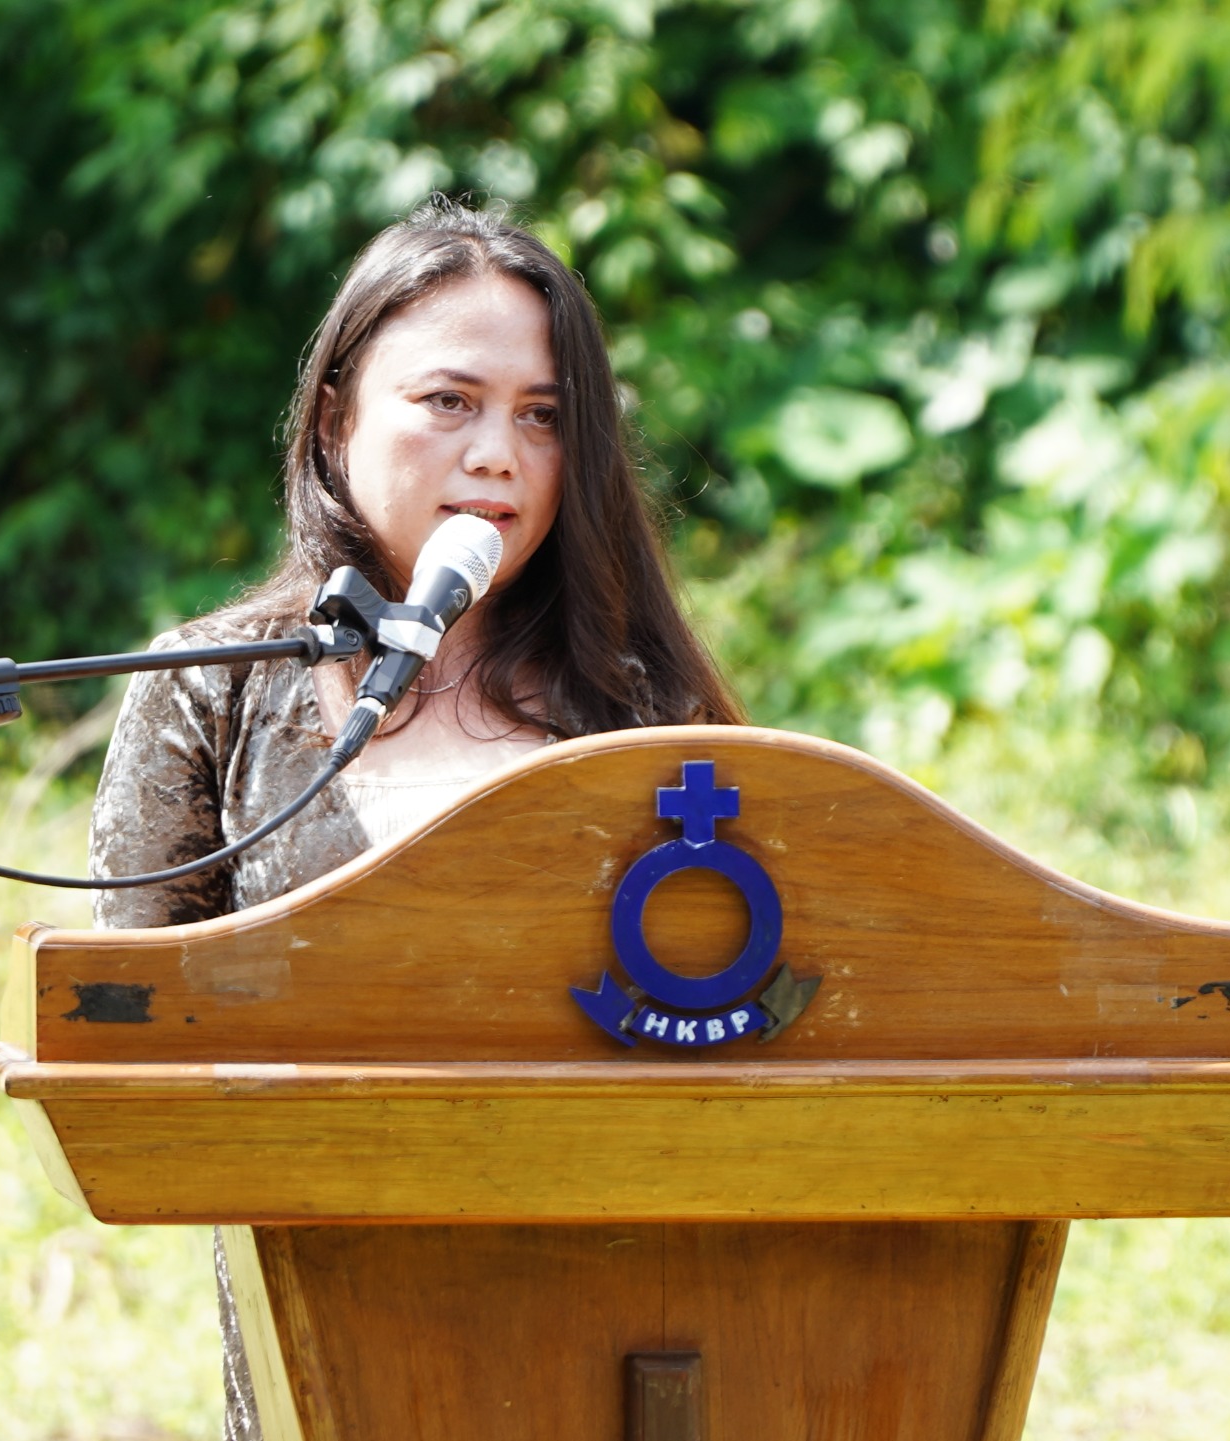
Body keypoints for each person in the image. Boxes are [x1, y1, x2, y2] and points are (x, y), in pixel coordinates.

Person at [82, 196, 742, 1439]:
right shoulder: (210, 685)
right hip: (334, 1321)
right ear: (336, 415)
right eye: (450, 401)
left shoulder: (644, 709)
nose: (497, 454)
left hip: (617, 1309)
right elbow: (125, 1025)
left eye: (541, 416)